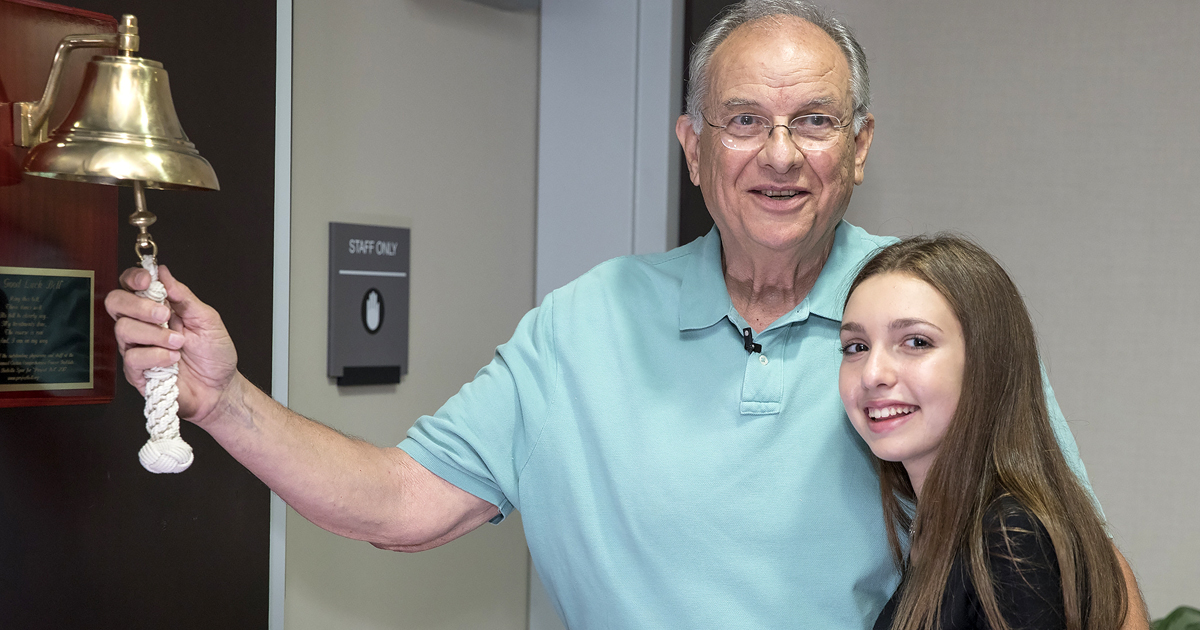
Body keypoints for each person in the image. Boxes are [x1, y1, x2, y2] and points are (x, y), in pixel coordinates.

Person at [105, 1, 1145, 627]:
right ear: (691, 147)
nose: (779, 155)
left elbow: (1078, 571)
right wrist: (223, 399)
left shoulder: (931, 325)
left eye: (814, 122)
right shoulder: (584, 324)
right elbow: (400, 505)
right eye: (744, 121)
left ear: (861, 147)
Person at [838, 235, 1130, 629]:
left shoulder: (1008, 537)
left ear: (986, 363)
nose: (873, 374)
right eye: (856, 347)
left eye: (916, 342)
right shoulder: (944, 528)